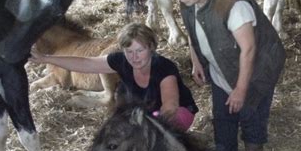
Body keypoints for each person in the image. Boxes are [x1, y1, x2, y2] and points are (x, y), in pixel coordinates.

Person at [164, 0, 286, 151]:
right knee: (222, 117)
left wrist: (240, 89)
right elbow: (192, 30)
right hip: (223, 66)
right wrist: (196, 60)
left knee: (251, 115)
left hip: (257, 69)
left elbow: (249, 50)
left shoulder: (233, 4)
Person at [30, 22, 198, 132]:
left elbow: (170, 108)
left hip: (177, 115)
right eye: (129, 51)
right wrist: (46, 58)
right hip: (146, 113)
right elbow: (86, 63)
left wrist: (140, 126)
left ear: (152, 48)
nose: (134, 57)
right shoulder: (122, 61)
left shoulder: (164, 67)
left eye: (140, 51)